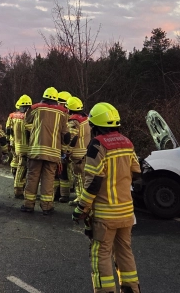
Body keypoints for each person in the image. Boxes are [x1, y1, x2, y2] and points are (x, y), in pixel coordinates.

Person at [72, 102, 141, 293]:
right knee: (125, 252)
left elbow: (93, 182)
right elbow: (136, 170)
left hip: (106, 214)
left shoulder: (97, 145)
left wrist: (81, 209)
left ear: (96, 126)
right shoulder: (127, 142)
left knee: (100, 254)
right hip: (126, 213)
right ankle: (132, 289)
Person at [20, 87, 70, 215]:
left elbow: (26, 120)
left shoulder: (36, 108)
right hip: (53, 152)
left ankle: (28, 205)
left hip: (36, 150)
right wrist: (63, 151)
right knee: (48, 179)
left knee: (32, 177)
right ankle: (47, 207)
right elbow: (66, 135)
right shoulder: (63, 113)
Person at [62, 96, 90, 204]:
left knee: (78, 177)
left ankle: (80, 199)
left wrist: (67, 151)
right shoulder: (86, 118)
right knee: (84, 176)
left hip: (77, 153)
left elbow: (72, 138)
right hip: (86, 151)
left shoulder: (74, 121)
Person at [7, 94, 32, 199]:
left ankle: (15, 177)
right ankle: (18, 189)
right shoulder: (28, 117)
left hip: (15, 145)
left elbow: (8, 130)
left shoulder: (12, 116)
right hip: (25, 147)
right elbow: (31, 132)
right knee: (23, 168)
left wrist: (9, 142)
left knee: (15, 163)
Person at [55, 90, 73, 202]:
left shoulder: (63, 115)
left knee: (62, 171)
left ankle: (62, 194)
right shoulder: (70, 115)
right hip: (64, 147)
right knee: (61, 171)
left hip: (62, 147)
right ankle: (61, 193)